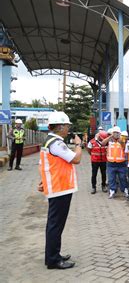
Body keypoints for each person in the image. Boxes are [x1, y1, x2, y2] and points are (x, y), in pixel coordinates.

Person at [38, 111, 82, 269]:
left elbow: (46, 164)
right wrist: (78, 145)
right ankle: (53, 260)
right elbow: (76, 159)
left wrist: (43, 181)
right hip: (59, 188)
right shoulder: (56, 143)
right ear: (61, 126)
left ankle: (52, 255)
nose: (68, 129)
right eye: (67, 126)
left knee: (54, 224)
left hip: (57, 187)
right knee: (55, 224)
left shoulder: (49, 141)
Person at [102, 126, 129, 199]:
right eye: (115, 133)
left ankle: (125, 190)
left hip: (121, 163)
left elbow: (124, 148)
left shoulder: (122, 140)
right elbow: (103, 143)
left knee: (123, 178)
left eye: (117, 133)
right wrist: (110, 136)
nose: (116, 134)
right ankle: (112, 191)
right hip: (111, 163)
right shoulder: (109, 141)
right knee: (111, 178)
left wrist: (121, 141)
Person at [86, 130, 108, 194]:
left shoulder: (105, 142)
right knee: (94, 174)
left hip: (103, 160)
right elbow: (89, 150)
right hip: (95, 161)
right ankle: (93, 187)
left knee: (103, 174)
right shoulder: (92, 142)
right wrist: (93, 155)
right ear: (99, 136)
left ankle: (103, 186)